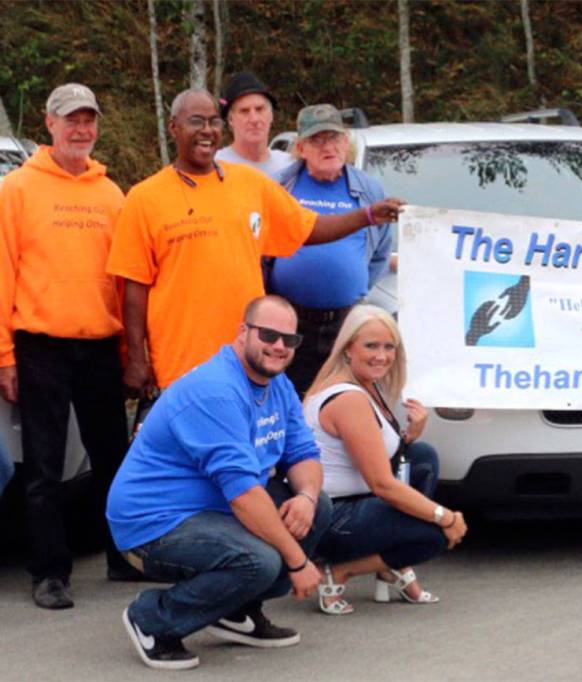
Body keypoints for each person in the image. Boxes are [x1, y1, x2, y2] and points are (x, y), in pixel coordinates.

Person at [106, 88, 402, 396]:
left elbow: (309, 228)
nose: (207, 130)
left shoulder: (251, 184)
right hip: (182, 363)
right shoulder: (144, 198)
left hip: (248, 359)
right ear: (173, 127)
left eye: (213, 122)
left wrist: (367, 215)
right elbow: (134, 289)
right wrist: (135, 358)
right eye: (196, 121)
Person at [107, 296, 332, 670]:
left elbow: (304, 454)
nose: (279, 346)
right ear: (243, 332)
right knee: (258, 561)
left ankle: (235, 611)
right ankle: (152, 619)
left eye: (289, 340)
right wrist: (297, 562)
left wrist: (306, 497)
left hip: (214, 507)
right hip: (152, 523)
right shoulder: (216, 390)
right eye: (269, 335)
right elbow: (243, 494)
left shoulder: (278, 385)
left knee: (318, 506)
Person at [0, 83, 141, 610]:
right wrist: (5, 356)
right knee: (44, 466)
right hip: (41, 346)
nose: (81, 130)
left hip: (101, 345)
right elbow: (2, 275)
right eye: (71, 120)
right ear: (49, 124)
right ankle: (49, 572)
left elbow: (124, 279)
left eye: (89, 120)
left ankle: (122, 556)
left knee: (113, 460)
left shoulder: (111, 194)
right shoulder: (17, 189)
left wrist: (130, 352)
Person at [304, 305, 467, 615]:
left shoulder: (364, 385)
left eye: (389, 347)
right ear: (348, 348)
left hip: (353, 501)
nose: (382, 356)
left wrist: (409, 435)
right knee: (434, 534)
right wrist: (445, 516)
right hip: (333, 518)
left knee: (421, 457)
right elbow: (382, 484)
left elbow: (380, 458)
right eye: (371, 346)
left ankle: (391, 567)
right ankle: (341, 571)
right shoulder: (349, 398)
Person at [270, 104, 394, 394]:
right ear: (301, 148)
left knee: (340, 399)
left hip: (345, 322)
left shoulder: (369, 190)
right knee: (286, 399)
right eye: (317, 139)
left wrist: (351, 286)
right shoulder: (280, 187)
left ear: (346, 142)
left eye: (335, 137)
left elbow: (380, 253)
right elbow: (261, 252)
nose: (328, 147)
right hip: (289, 322)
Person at [215, 72, 291, 176]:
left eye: (259, 109)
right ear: (230, 120)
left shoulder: (289, 167)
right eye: (244, 111)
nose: (254, 119)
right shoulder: (215, 166)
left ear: (271, 115)